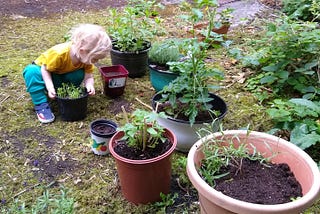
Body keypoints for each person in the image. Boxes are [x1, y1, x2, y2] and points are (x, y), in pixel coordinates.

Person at [23, 24, 111, 123]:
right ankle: (41, 105)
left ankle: (63, 94)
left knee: (78, 73)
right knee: (31, 72)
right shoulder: (59, 53)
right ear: (82, 51)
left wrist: (89, 84)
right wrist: (50, 87)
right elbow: (45, 69)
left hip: (60, 75)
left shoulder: (85, 59)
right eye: (95, 58)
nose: (96, 62)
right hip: (44, 75)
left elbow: (88, 76)